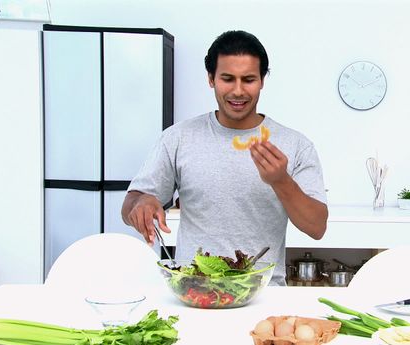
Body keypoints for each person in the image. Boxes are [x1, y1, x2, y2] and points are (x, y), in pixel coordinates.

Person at [121, 30, 328, 285]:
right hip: (193, 290)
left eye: (249, 79)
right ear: (211, 79)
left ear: (262, 80)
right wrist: (141, 203)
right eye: (227, 79)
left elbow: (316, 227)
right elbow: (130, 203)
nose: (238, 91)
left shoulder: (295, 145)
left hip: (264, 294)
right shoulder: (178, 138)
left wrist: (280, 180)